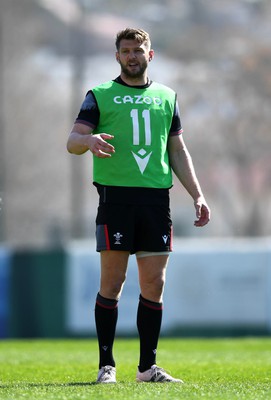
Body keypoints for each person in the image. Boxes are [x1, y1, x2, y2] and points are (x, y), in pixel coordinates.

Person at [67, 27, 210, 384]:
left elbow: (177, 150)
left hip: (155, 200)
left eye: (138, 50)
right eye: (126, 50)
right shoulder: (99, 95)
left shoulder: (167, 97)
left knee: (154, 284)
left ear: (151, 54)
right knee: (112, 283)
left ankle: (147, 368)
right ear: (117, 56)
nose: (132, 56)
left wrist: (198, 194)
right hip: (116, 198)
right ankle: (106, 367)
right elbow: (72, 141)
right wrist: (89, 139)